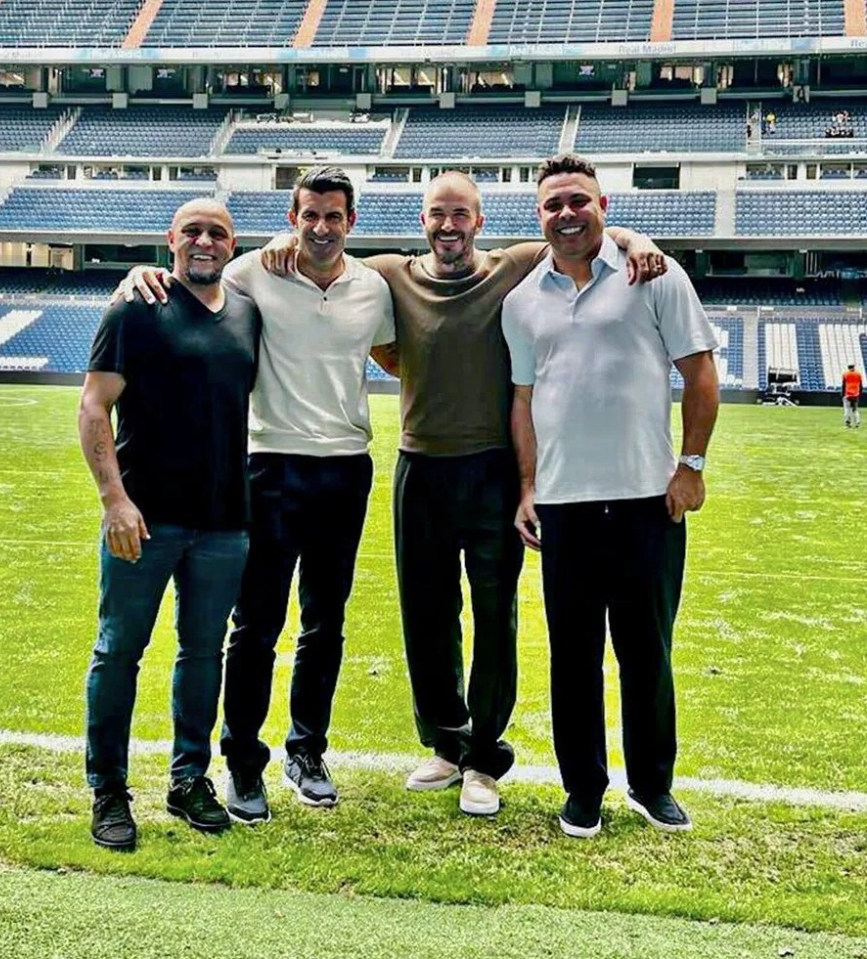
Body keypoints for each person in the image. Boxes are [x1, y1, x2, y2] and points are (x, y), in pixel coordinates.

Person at [258, 171, 667, 816]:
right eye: (436, 215)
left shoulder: (515, 266)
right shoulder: (391, 273)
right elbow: (320, 249)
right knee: (425, 613)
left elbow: (582, 236)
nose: (448, 226)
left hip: (492, 469)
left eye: (460, 215)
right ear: (423, 221)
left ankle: (485, 756)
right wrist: (277, 246)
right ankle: (446, 743)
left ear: (479, 220)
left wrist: (632, 235)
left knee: (494, 614)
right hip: (419, 465)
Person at [114, 167, 395, 825]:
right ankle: (243, 762)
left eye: (333, 216)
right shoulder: (251, 271)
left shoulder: (372, 288)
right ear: (292, 218)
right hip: (268, 468)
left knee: (326, 621)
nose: (320, 227)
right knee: (257, 624)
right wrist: (134, 276)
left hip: (346, 468)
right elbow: (191, 276)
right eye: (309, 215)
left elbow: (391, 354)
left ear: (350, 222)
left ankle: (308, 751)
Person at [502, 154, 719, 838]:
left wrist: (689, 463)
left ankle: (651, 784)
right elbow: (523, 399)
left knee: (645, 650)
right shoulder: (521, 300)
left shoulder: (651, 274)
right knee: (571, 656)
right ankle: (582, 789)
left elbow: (699, 371)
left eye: (577, 201)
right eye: (551, 205)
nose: (565, 214)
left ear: (602, 204)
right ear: (537, 216)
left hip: (645, 502)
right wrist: (528, 486)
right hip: (564, 506)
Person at [79, 199, 260, 850]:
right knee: (118, 651)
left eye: (217, 233)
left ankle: (189, 779)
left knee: (203, 653)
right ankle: (108, 791)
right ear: (171, 240)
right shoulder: (136, 307)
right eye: (193, 231)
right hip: (145, 519)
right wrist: (114, 500)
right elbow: (94, 406)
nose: (204, 242)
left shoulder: (246, 313)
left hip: (224, 522)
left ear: (233, 244)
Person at [842, 363, 863, 428]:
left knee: (847, 409)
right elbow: (861, 385)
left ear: (848, 368)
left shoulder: (845, 374)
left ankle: (848, 423)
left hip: (848, 394)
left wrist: (843, 394)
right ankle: (857, 422)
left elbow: (844, 384)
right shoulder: (858, 374)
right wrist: (860, 392)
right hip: (856, 394)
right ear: (854, 367)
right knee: (855, 409)